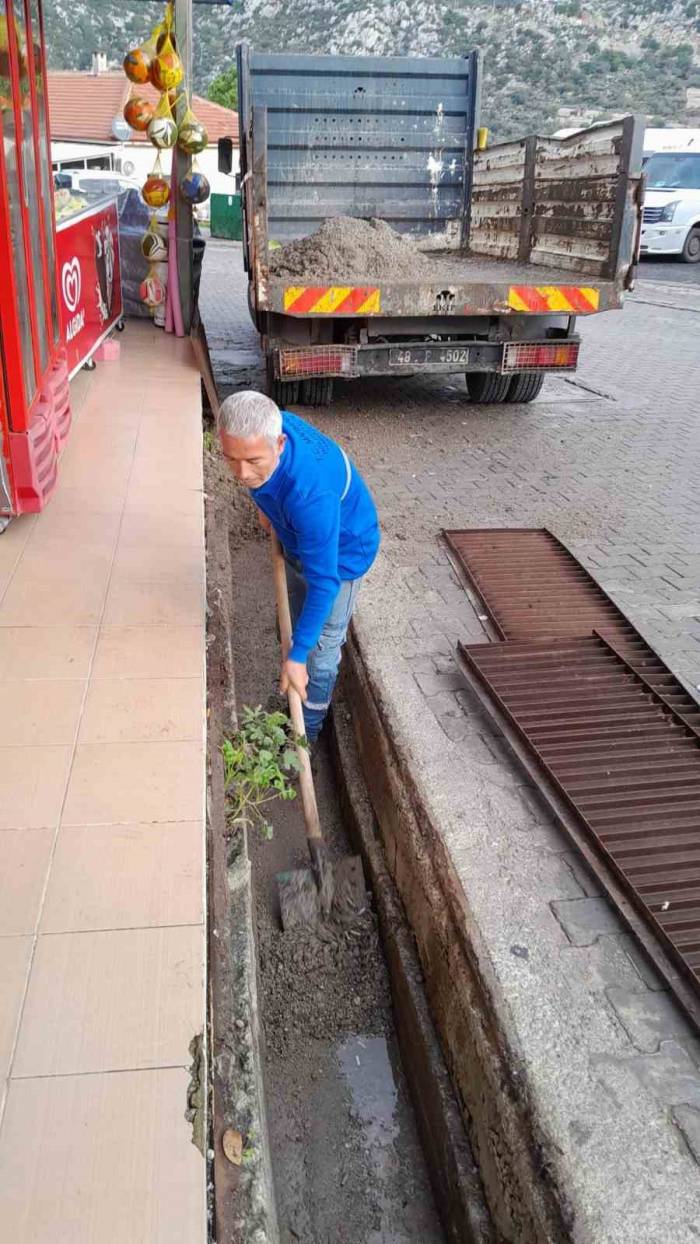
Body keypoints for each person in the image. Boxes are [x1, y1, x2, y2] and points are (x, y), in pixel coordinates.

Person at [217, 391, 380, 743]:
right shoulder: (271, 425)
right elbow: (252, 470)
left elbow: (326, 584)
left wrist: (299, 655)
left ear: (280, 443)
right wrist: (266, 506)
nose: (242, 473)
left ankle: (307, 730)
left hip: (342, 554)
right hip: (298, 536)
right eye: (232, 459)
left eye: (253, 462)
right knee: (292, 625)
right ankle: (294, 669)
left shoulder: (310, 496)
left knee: (318, 652)